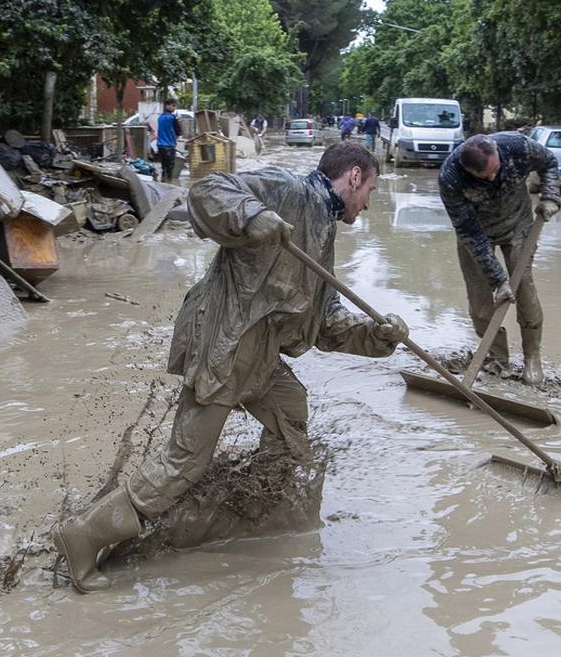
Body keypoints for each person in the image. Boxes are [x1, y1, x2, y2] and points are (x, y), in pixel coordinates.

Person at [53, 141, 409, 593]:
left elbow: (324, 323)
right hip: (225, 342)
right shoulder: (289, 189)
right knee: (185, 461)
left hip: (258, 352)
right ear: (354, 176)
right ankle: (84, 535)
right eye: (371, 189)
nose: (369, 202)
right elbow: (206, 190)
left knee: (290, 412)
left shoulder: (322, 227)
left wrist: (378, 337)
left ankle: (254, 510)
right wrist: (251, 217)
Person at [439, 132, 561, 385]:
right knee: (480, 301)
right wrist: (498, 281)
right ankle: (497, 359)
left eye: (496, 169)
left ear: (497, 152)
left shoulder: (518, 146)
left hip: (518, 225)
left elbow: (548, 161)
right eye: (485, 176)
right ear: (468, 170)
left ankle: (532, 357)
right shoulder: (450, 178)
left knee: (523, 287)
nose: (493, 177)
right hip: (476, 233)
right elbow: (470, 234)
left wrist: (550, 196)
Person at [156, 98, 182, 182]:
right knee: (170, 168)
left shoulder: (160, 117)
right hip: (169, 146)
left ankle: (163, 181)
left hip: (160, 145)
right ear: (168, 105)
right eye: (173, 105)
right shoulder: (173, 118)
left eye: (175, 106)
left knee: (163, 167)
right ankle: (169, 184)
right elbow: (178, 132)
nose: (174, 108)